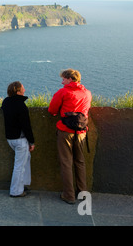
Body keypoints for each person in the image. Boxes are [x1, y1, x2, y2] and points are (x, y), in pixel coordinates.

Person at [48, 69, 92, 204]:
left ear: (70, 79)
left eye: (63, 79)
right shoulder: (87, 93)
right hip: (81, 132)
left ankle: (69, 195)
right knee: (80, 162)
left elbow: (52, 110)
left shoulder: (63, 92)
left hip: (65, 131)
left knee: (66, 162)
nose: (62, 82)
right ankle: (82, 193)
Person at [1, 81, 35, 197]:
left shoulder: (5, 102)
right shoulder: (21, 106)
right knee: (19, 166)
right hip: (20, 139)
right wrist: (31, 141)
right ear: (18, 91)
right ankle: (16, 191)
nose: (24, 90)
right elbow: (26, 126)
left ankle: (23, 184)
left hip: (10, 138)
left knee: (26, 159)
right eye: (23, 88)